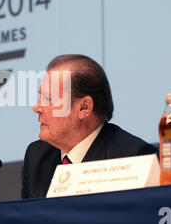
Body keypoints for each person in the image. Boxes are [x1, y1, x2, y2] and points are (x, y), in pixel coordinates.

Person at [21, 54, 158, 199]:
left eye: (49, 99)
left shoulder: (134, 158)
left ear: (84, 107)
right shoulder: (37, 156)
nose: (36, 107)